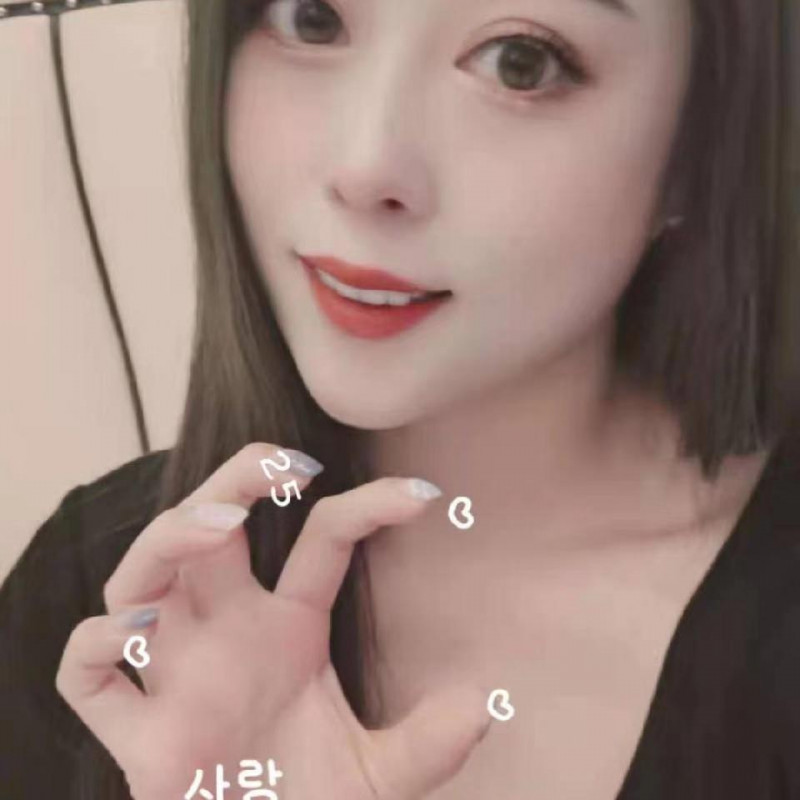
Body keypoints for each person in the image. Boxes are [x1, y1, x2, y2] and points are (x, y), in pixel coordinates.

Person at [1, 0, 799, 797]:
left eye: (521, 63)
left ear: (699, 146)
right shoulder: (99, 599)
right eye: (312, 20)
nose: (366, 167)